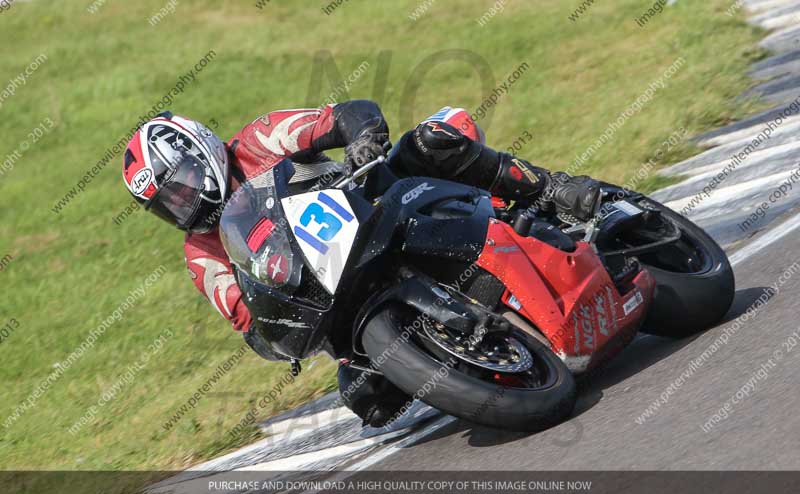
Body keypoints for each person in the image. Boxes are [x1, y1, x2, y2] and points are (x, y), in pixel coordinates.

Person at [121, 101, 601, 427]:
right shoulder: (201, 254)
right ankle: (462, 360)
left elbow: (350, 114)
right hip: (333, 299)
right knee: (368, 399)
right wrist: (272, 332)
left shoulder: (261, 138)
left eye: (181, 185)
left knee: (431, 140)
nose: (182, 205)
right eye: (167, 204)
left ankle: (548, 188)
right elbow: (248, 322)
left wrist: (361, 141)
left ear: (199, 151)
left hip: (377, 206)